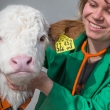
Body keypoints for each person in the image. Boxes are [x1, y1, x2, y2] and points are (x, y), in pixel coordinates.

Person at [7, 0, 110, 109]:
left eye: (108, 11)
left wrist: (45, 85)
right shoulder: (68, 38)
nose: (97, 16)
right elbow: (31, 52)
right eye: (93, 5)